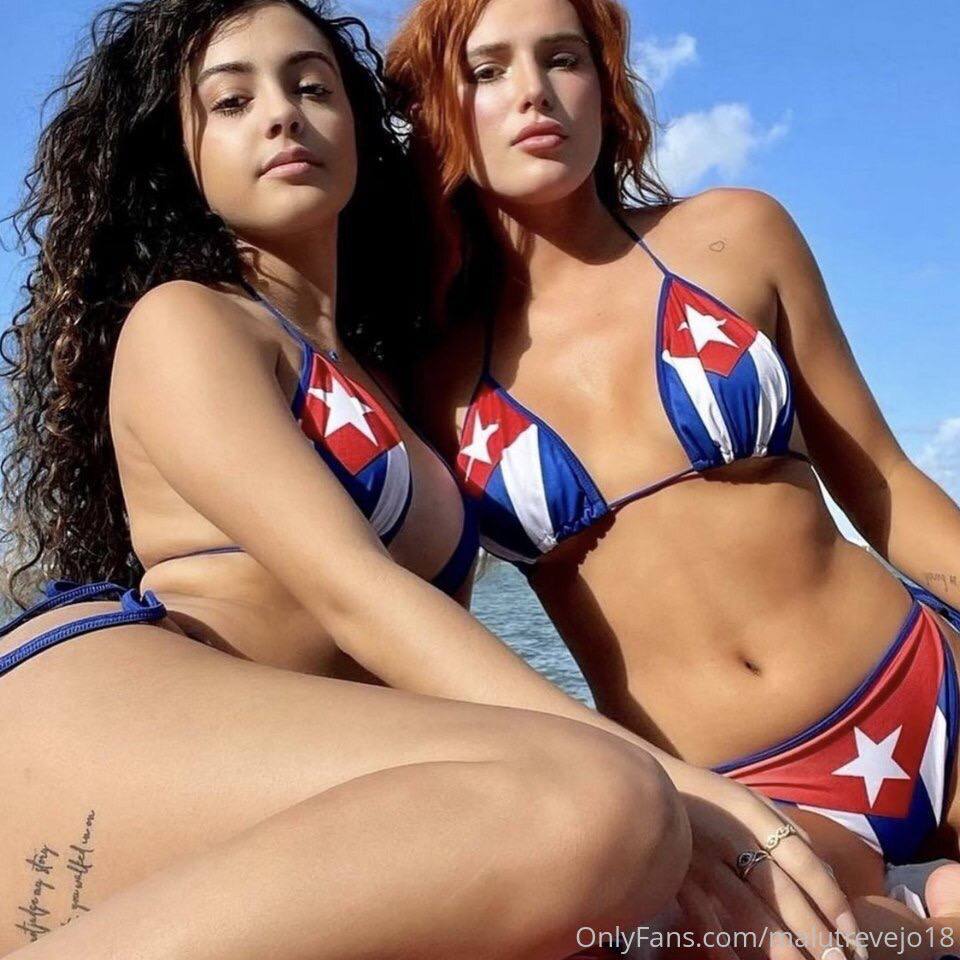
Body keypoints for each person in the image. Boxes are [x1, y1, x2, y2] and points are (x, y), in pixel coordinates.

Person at [0, 1, 858, 957]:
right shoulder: (189, 321)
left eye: (313, 87)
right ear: (179, 154)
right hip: (109, 738)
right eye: (232, 102)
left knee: (770, 871)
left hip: (314, 793)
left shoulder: (391, 380)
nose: (282, 114)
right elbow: (354, 594)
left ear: (361, 130)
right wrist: (676, 784)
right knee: (611, 804)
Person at [386, 0, 960, 937]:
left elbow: (884, 482)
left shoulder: (735, 235)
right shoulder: (430, 378)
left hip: (926, 675)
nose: (534, 93)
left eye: (562, 58)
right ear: (436, 110)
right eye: (487, 71)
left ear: (604, 83)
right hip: (745, 793)